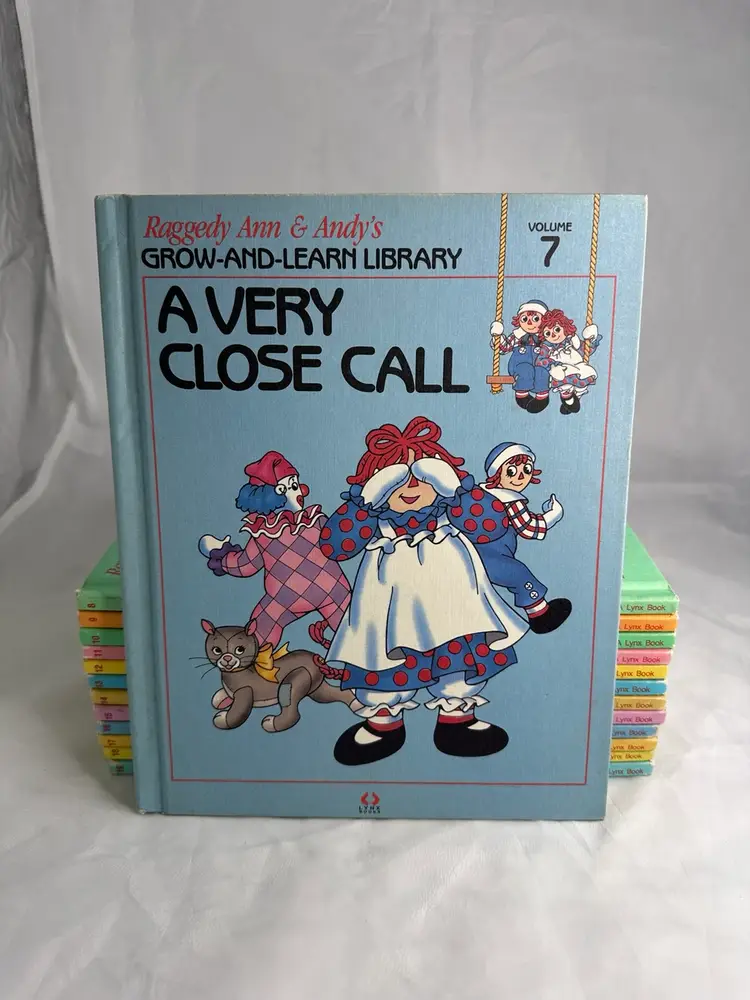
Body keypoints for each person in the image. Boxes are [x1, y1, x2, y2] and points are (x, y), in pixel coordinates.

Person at [321, 417, 528, 766]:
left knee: (457, 658)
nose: (412, 487)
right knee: (384, 658)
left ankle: (456, 719)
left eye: (421, 476)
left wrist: (458, 490)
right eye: (398, 479)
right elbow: (335, 547)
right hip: (390, 609)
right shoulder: (374, 520)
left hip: (452, 608)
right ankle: (384, 721)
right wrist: (364, 503)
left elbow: (492, 526)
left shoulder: (452, 510)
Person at [197, 450, 351, 650]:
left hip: (284, 598)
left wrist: (221, 555)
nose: (301, 491)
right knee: (354, 630)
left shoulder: (263, 534)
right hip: (332, 590)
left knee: (259, 632)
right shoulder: (317, 521)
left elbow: (245, 566)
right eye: (294, 486)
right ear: (279, 490)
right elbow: (339, 543)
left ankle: (250, 658)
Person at [477, 442, 572, 634]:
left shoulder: (482, 494)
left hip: (476, 551)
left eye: (526, 470)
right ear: (497, 474)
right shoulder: (510, 500)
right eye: (511, 471)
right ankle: (541, 616)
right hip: (492, 556)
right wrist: (554, 514)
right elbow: (529, 528)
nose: (520, 477)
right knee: (519, 575)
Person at [489, 299, 550, 412]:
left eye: (535, 319)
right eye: (525, 319)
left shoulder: (546, 337)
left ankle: (542, 397)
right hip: (519, 366)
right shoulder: (517, 336)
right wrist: (497, 336)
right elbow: (504, 348)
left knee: (542, 372)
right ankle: (522, 395)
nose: (529, 323)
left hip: (540, 366)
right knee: (525, 369)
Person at [535, 309, 601, 414]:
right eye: (548, 333)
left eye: (557, 330)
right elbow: (540, 361)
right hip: (560, 370)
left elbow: (586, 350)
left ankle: (576, 397)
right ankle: (568, 398)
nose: (553, 335)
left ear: (565, 328)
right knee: (563, 383)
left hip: (577, 367)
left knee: (582, 378)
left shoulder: (572, 341)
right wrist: (554, 364)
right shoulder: (547, 347)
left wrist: (591, 339)